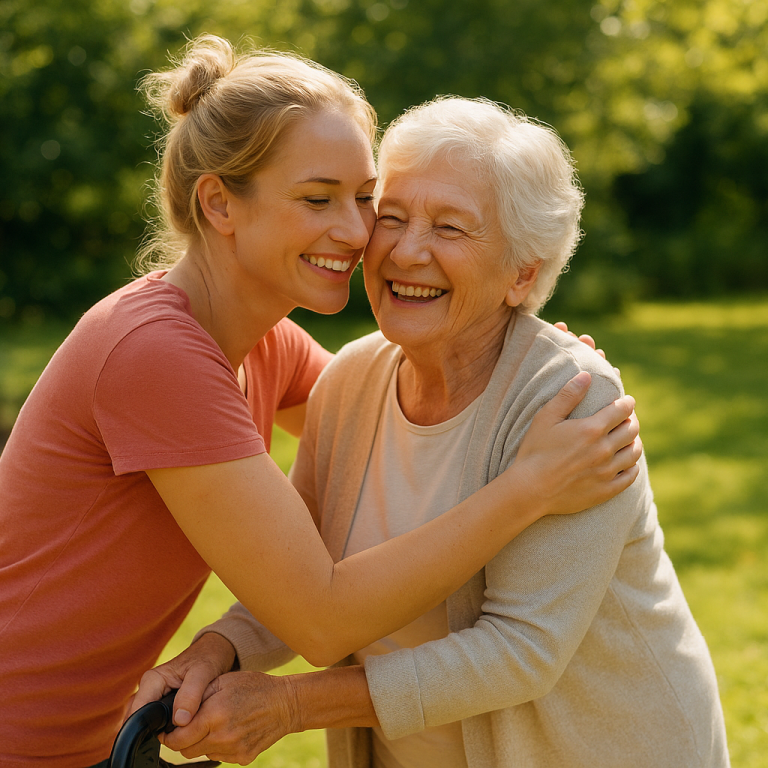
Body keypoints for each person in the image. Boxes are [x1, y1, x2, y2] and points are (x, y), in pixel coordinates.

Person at [0, 40, 643, 768]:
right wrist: (529, 487)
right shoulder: (155, 354)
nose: (355, 230)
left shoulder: (263, 346)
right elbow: (321, 615)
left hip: (90, 738)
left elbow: (401, 422)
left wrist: (517, 348)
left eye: (364, 197)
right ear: (219, 204)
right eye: (317, 199)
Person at [137, 97, 729, 768]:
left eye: (450, 228)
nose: (406, 250)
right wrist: (215, 651)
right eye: (390, 217)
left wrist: (294, 703)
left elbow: (518, 652)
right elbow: (303, 584)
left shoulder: (571, 401)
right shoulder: (351, 382)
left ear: (523, 274)